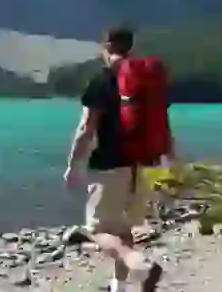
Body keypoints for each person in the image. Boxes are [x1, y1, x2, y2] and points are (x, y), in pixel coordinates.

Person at [62, 26, 172, 292]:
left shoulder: (102, 81)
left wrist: (72, 166)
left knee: (98, 230)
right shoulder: (142, 81)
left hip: (109, 166)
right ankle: (119, 287)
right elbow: (163, 124)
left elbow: (86, 129)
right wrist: (170, 161)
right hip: (139, 165)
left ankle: (139, 264)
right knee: (123, 231)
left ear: (107, 46)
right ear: (130, 47)